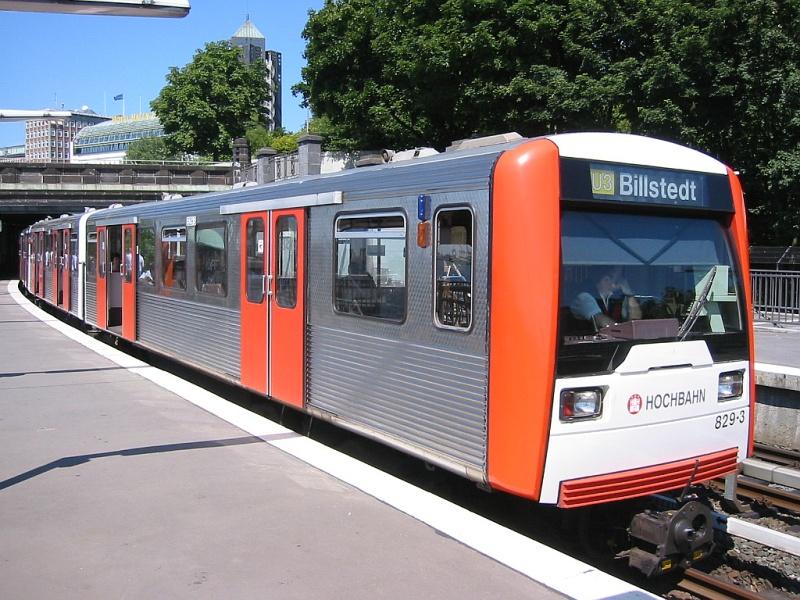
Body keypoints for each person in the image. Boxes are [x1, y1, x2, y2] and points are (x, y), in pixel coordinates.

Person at [571, 268, 642, 329]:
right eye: (617, 280)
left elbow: (636, 319)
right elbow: (603, 323)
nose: (620, 284)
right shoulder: (583, 298)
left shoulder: (614, 297)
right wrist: (626, 331)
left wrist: (629, 294)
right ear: (606, 279)